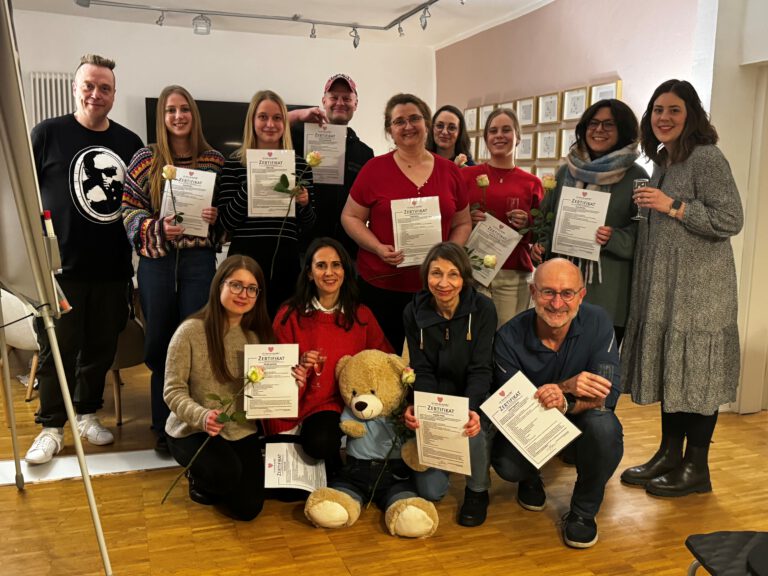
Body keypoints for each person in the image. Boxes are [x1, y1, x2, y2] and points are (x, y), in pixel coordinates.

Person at [620, 80, 743, 497]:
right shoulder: (664, 160)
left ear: (691, 114)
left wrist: (672, 206)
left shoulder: (707, 157)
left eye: (674, 109)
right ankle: (669, 455)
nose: (664, 118)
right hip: (666, 290)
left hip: (701, 292)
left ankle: (696, 467)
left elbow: (730, 219)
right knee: (674, 371)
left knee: (698, 376)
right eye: (658, 110)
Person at [25, 54, 143, 465]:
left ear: (114, 93)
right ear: (76, 88)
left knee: (100, 348)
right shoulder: (47, 134)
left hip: (112, 270)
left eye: (104, 88)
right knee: (56, 348)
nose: (96, 94)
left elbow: (140, 202)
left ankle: (87, 413)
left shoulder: (130, 143)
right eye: (89, 86)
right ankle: (51, 427)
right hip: (61, 270)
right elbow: (22, 193)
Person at [492, 258, 623, 548]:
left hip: (581, 419)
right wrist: (565, 387)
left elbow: (608, 394)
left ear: (581, 295)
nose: (557, 303)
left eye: (567, 293)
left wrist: (564, 401)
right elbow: (511, 409)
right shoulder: (507, 337)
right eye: (548, 292)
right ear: (533, 292)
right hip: (529, 424)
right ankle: (529, 476)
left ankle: (583, 512)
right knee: (507, 465)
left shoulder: (599, 322)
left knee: (604, 427)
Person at [122, 85, 225, 453]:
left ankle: (192, 422)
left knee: (195, 341)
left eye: (184, 109)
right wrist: (156, 228)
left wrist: (215, 217)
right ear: (162, 117)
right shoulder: (145, 159)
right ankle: (163, 425)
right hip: (157, 263)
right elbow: (128, 210)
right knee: (160, 343)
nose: (178, 116)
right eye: (170, 110)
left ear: (193, 114)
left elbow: (228, 217)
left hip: (199, 262)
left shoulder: (214, 161)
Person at [341, 93, 472, 353]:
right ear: (390, 130)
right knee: (382, 360)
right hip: (381, 286)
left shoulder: (450, 171)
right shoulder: (374, 169)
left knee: (432, 359)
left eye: (414, 118)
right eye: (399, 121)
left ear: (426, 123)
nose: (408, 126)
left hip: (435, 288)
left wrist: (448, 256)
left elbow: (463, 223)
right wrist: (377, 247)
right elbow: (350, 217)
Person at [270, 237, 393, 478]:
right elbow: (274, 371)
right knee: (288, 481)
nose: (329, 272)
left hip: (342, 403)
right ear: (309, 273)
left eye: (336, 265)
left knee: (321, 443)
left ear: (345, 271)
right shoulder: (289, 315)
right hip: (302, 401)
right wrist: (298, 367)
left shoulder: (361, 315)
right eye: (321, 265)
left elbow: (384, 359)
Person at [164, 255, 273, 521]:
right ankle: (198, 476)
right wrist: (202, 416)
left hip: (239, 428)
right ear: (219, 285)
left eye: (251, 288)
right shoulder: (190, 331)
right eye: (236, 285)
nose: (243, 294)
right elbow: (172, 390)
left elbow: (264, 391)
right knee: (222, 476)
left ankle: (222, 477)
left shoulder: (256, 338)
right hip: (192, 429)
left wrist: (292, 380)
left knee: (248, 509)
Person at [532, 99, 648, 344]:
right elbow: (547, 218)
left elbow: (646, 234)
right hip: (560, 291)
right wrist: (541, 245)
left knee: (597, 363)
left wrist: (613, 237)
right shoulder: (566, 171)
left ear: (623, 129)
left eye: (608, 124)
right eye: (593, 123)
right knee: (554, 358)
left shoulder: (637, 177)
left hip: (608, 292)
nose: (598, 130)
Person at [403, 242, 497, 527]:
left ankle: (477, 490)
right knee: (431, 491)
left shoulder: (483, 309)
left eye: (453, 274)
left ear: (464, 277)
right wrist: (423, 408)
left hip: (472, 395)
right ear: (426, 276)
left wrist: (470, 409)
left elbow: (481, 369)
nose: (444, 283)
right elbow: (421, 369)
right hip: (436, 400)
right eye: (436, 273)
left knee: (473, 428)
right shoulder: (412, 312)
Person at [217, 90, 315, 318]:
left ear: (284, 123)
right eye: (263, 117)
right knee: (241, 328)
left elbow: (309, 225)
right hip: (244, 261)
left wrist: (304, 204)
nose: (270, 124)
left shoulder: (300, 165)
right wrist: (252, 184)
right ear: (252, 121)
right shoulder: (234, 163)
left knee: (281, 328)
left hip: (285, 262)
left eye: (277, 117)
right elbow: (226, 222)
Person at [462, 107, 543, 327]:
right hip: (472, 271)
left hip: (512, 275)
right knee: (471, 336)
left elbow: (541, 234)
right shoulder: (465, 176)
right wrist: (467, 219)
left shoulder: (532, 183)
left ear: (518, 137)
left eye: (506, 130)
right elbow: (451, 220)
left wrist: (528, 223)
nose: (499, 135)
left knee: (508, 336)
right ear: (485, 138)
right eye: (493, 130)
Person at [288, 74, 374, 258]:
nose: (340, 103)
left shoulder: (365, 153)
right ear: (324, 101)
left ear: (355, 104)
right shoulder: (301, 137)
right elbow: (266, 128)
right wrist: (298, 114)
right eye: (334, 97)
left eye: (347, 98)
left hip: (348, 251)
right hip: (304, 248)